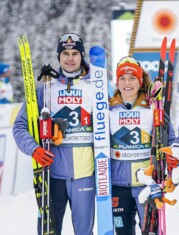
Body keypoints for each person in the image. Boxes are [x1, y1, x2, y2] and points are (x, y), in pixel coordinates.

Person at [13, 33, 95, 235]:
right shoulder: (45, 90)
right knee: (49, 231)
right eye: (65, 53)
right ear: (59, 57)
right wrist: (34, 150)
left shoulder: (95, 88)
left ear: (81, 56)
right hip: (52, 175)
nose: (70, 58)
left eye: (75, 53)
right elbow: (19, 126)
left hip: (86, 174)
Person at [109, 56, 176, 235]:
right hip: (118, 183)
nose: (127, 83)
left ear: (140, 81)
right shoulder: (107, 109)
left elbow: (170, 140)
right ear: (117, 81)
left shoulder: (154, 107)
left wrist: (171, 166)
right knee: (122, 231)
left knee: (150, 231)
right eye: (122, 78)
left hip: (149, 182)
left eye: (132, 78)